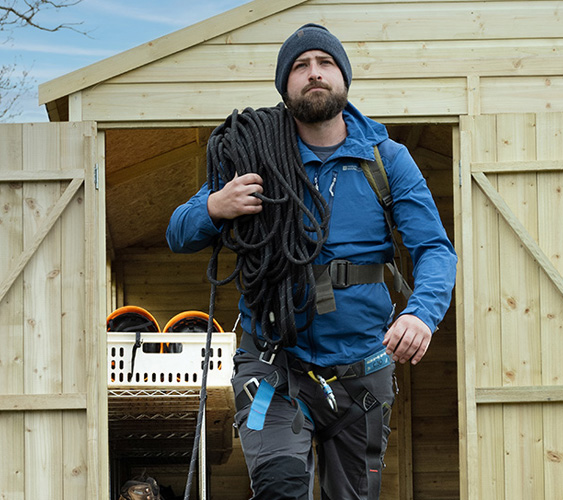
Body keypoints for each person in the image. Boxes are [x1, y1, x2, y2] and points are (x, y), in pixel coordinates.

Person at [166, 23, 456, 500]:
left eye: (325, 63)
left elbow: (435, 250)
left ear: (343, 77)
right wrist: (214, 207)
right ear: (285, 85)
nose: (313, 73)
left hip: (363, 374)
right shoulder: (252, 153)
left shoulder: (388, 160)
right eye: (300, 66)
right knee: (280, 488)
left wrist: (422, 314)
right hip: (270, 369)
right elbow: (178, 232)